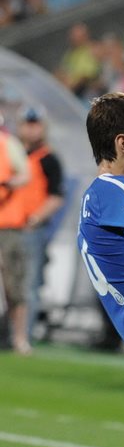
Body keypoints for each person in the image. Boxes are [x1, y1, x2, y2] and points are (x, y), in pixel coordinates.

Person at [16, 106, 65, 341]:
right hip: (8, 228)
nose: (31, 129)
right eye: (27, 124)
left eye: (35, 124)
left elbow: (56, 197)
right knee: (11, 286)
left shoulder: (49, 158)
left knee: (29, 285)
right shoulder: (12, 155)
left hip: (31, 230)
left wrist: (35, 219)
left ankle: (23, 337)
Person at [0, 112, 31, 354]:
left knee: (14, 284)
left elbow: (25, 175)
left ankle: (20, 338)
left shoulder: (8, 144)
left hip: (8, 225)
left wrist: (8, 183)